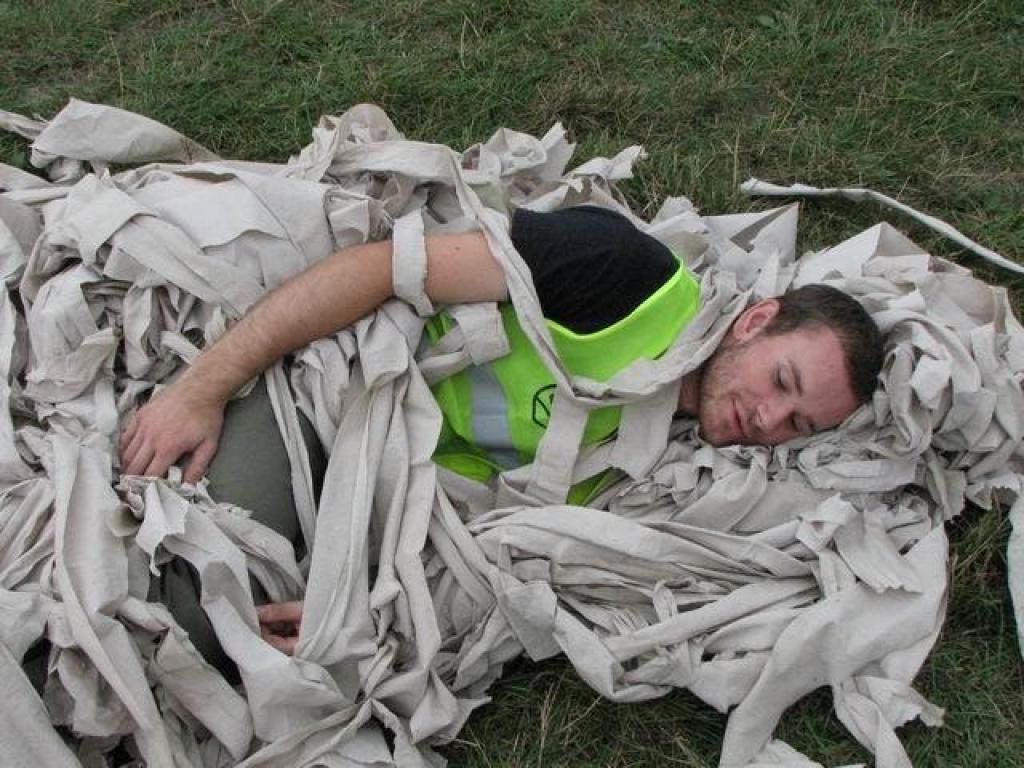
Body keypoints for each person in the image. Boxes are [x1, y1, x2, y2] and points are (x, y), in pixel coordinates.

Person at [118, 205, 884, 665]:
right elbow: (382, 269)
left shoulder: (678, 473)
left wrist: (375, 616)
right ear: (755, 321)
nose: (767, 422)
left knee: (242, 655)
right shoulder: (624, 276)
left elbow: (512, 563)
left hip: (393, 512)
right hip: (336, 398)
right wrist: (203, 388)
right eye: (782, 382)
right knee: (170, 598)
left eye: (798, 425)